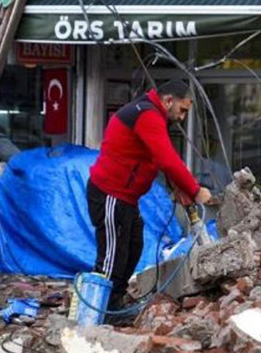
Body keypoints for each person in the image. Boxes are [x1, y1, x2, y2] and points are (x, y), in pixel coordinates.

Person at [87, 80, 211, 312]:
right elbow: (167, 158)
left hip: (125, 197)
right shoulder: (147, 115)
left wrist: (176, 185)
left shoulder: (150, 114)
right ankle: (101, 311)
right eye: (182, 110)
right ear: (168, 101)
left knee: (133, 247)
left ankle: (115, 303)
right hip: (110, 194)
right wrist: (195, 190)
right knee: (112, 256)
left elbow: (155, 155)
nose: (182, 118)